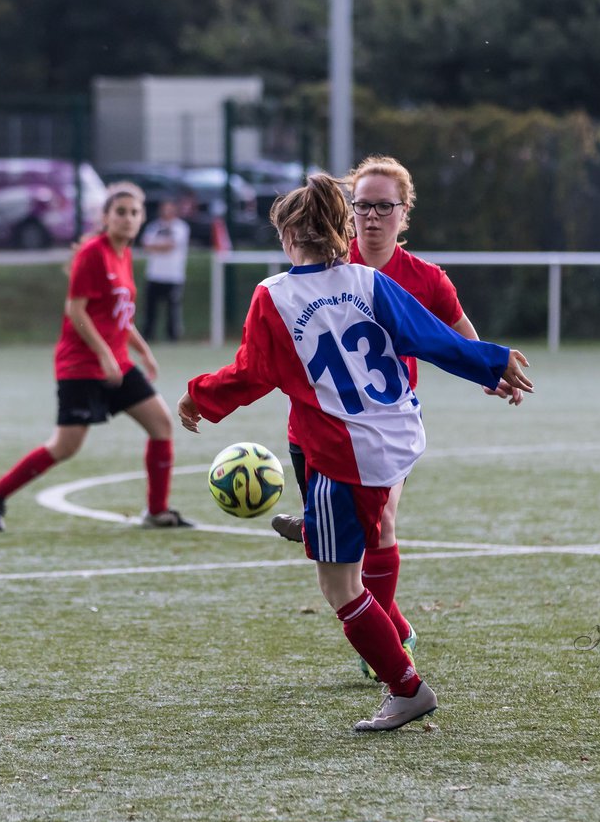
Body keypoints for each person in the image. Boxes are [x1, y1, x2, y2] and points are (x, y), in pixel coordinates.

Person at [177, 174, 533, 731]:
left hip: (347, 455)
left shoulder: (273, 295)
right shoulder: (370, 281)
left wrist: (198, 397)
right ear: (341, 231)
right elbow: (430, 337)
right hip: (398, 437)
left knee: (340, 584)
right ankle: (321, 525)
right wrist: (491, 361)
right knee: (354, 527)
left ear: (290, 234)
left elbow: (252, 374)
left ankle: (406, 687)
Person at [271, 155, 523, 681]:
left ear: (404, 213)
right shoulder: (324, 264)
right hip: (314, 428)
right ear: (347, 212)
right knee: (346, 546)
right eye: (361, 205)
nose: (371, 216)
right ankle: (387, 622)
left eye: (384, 206)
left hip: (384, 430)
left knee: (381, 525)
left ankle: (380, 640)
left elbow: (456, 339)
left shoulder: (426, 280)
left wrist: (489, 372)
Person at [0, 182, 192, 532]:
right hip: (80, 365)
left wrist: (143, 351)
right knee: (65, 446)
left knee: (161, 424)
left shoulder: (124, 254)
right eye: (120, 212)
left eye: (134, 212)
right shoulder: (93, 253)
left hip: (117, 363)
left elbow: (120, 315)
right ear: (105, 217)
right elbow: (76, 311)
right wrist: (104, 354)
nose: (128, 218)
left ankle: (156, 511)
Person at [140, 199, 190, 342]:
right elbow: (146, 244)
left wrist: (156, 245)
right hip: (154, 274)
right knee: (150, 309)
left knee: (172, 310)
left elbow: (170, 245)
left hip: (173, 276)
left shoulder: (181, 227)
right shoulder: (153, 227)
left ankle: (172, 337)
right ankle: (148, 336)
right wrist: (160, 246)